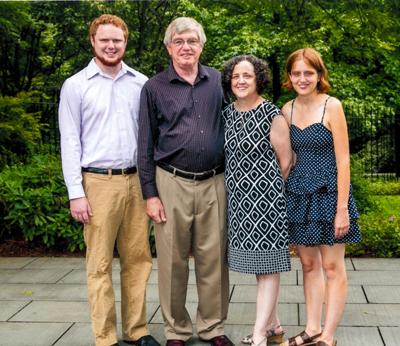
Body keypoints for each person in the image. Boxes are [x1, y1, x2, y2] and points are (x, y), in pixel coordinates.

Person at [59, 14, 160, 346]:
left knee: (138, 260)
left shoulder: (141, 83)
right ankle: (105, 338)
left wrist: (151, 187)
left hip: (137, 182)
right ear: (92, 41)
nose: (111, 45)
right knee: (99, 264)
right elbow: (70, 141)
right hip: (98, 184)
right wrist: (76, 192)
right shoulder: (76, 86)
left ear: (125, 42)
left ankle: (137, 330)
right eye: (104, 40)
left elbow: (149, 138)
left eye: (117, 40)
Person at [137, 17, 233, 346]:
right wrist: (150, 193)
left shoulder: (219, 81)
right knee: (172, 261)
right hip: (170, 182)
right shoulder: (154, 88)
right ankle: (176, 330)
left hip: (214, 181)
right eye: (179, 42)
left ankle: (212, 328)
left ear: (201, 45)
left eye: (192, 41)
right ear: (168, 47)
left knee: (214, 260)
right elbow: (145, 144)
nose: (186, 47)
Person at [280, 48, 361, 346]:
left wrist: (342, 209)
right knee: (309, 265)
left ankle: (328, 336)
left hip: (329, 195)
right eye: (297, 73)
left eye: (308, 73)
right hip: (300, 195)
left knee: (331, 267)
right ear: (289, 77)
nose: (303, 78)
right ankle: (312, 328)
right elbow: (286, 160)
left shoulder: (332, 106)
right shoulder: (286, 110)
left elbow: (343, 161)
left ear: (319, 75)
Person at [221, 55, 292, 346]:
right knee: (257, 266)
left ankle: (260, 334)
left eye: (247, 76)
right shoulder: (226, 114)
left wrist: (266, 195)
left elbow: (286, 162)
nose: (240, 81)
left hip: (266, 203)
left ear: (258, 79)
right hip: (238, 203)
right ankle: (273, 324)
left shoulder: (271, 114)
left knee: (267, 268)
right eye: (236, 76)